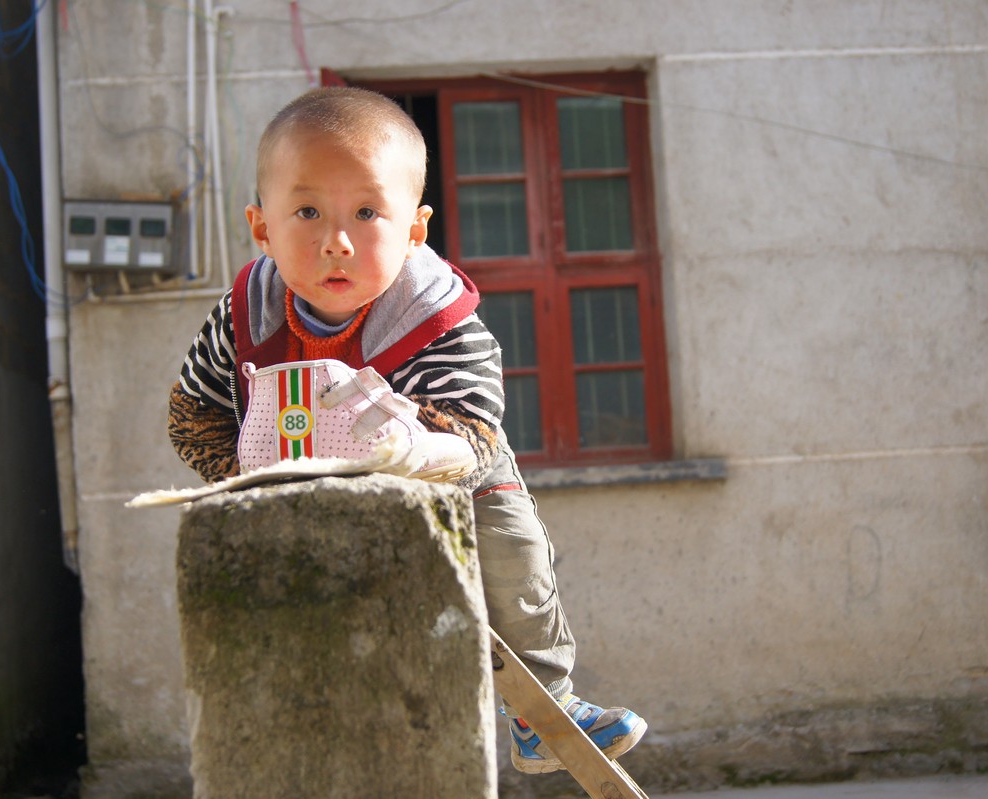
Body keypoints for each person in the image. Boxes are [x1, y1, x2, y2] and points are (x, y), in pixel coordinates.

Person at [167, 86, 646, 774]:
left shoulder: (438, 314)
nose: (336, 240)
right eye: (306, 211)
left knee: (515, 548)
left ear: (416, 229)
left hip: (448, 479)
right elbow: (191, 410)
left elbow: (478, 435)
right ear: (261, 226)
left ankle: (546, 709)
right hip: (290, 487)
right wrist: (245, 479)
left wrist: (412, 449)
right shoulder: (245, 312)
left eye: (367, 212)